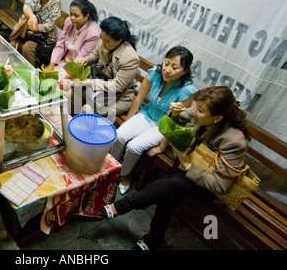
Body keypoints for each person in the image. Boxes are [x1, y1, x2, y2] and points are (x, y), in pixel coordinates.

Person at [99, 86, 251, 250]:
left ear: (217, 118)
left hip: (206, 184)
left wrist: (187, 166)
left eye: (200, 110)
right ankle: (152, 240)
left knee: (173, 186)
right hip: (185, 166)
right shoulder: (199, 111)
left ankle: (122, 207)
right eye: (196, 106)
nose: (194, 111)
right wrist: (174, 114)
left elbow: (221, 186)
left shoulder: (234, 141)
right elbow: (173, 122)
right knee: (170, 191)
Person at [110, 46, 196, 194]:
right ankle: (111, 168)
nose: (167, 70)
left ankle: (125, 175)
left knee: (134, 146)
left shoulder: (186, 91)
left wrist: (162, 146)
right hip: (147, 114)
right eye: (167, 63)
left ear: (184, 71)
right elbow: (139, 98)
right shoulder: (155, 74)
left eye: (174, 67)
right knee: (119, 135)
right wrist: (127, 121)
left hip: (163, 126)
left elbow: (175, 123)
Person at [63, 16, 139, 119]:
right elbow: (95, 55)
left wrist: (91, 83)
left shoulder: (130, 58)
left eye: (106, 41)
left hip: (118, 97)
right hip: (100, 88)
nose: (103, 43)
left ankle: (78, 129)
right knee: (70, 94)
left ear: (119, 40)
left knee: (87, 109)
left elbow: (117, 86)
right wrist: (86, 59)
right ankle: (66, 125)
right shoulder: (105, 41)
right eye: (102, 38)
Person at [10, 0, 62, 67]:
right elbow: (27, 7)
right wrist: (32, 16)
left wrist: (32, 27)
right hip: (26, 33)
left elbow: (48, 26)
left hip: (44, 37)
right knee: (13, 45)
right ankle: (12, 70)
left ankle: (31, 74)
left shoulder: (56, 3)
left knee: (27, 47)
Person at [44, 0, 100, 81]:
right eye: (71, 14)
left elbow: (80, 60)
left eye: (76, 16)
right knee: (44, 78)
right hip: (63, 62)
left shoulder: (92, 33)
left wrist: (65, 79)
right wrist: (51, 65)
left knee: (55, 84)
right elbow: (61, 44)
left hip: (77, 69)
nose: (72, 18)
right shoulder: (69, 22)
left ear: (86, 16)